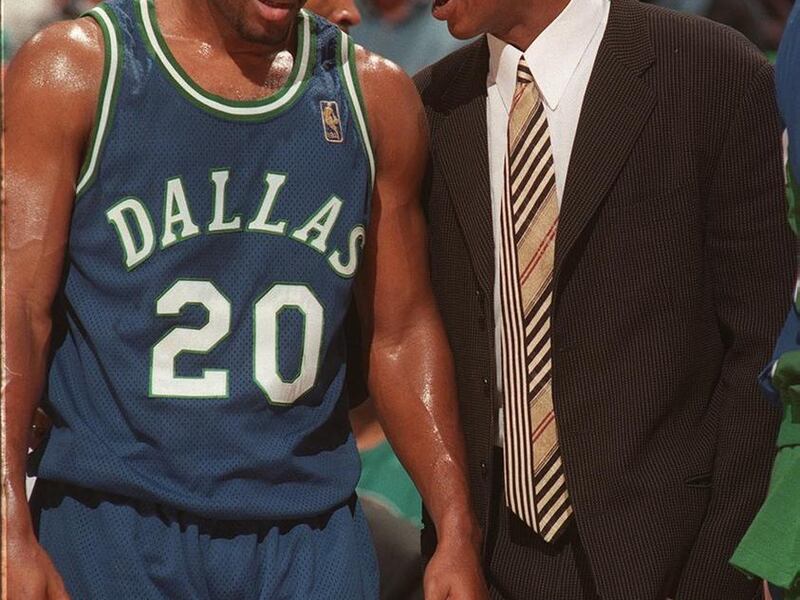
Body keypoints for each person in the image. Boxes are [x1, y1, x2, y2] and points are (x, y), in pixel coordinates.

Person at [3, 0, 488, 598]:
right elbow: (17, 308)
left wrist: (456, 529)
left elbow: (403, 330)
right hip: (113, 525)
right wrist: (8, 526)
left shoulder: (374, 96)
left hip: (310, 536)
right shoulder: (75, 71)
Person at [413, 0, 794, 597]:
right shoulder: (430, 102)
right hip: (490, 564)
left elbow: (760, 348)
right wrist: (453, 537)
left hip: (677, 558)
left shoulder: (713, 70)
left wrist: (722, 568)